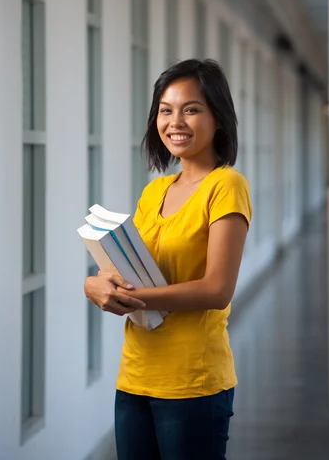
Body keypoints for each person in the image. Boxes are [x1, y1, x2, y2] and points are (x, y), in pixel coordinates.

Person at [84, 59, 252, 460]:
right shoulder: (154, 191)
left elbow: (217, 289)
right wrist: (95, 284)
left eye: (191, 109)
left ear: (218, 119)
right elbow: (127, 269)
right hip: (135, 377)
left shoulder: (226, 185)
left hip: (193, 383)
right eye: (165, 109)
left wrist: (136, 297)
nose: (175, 121)